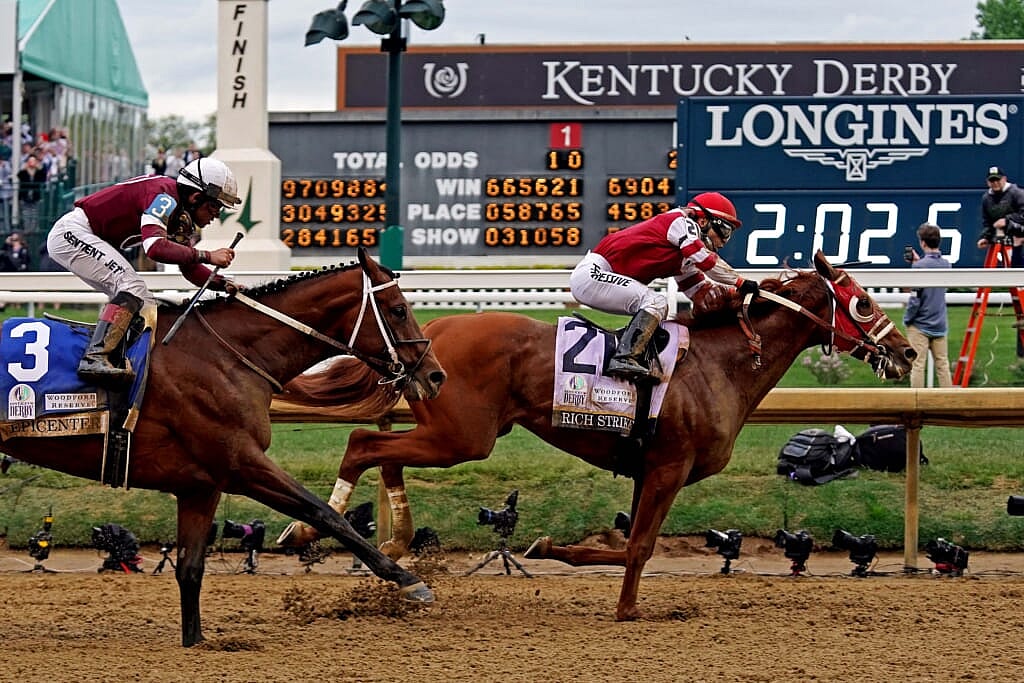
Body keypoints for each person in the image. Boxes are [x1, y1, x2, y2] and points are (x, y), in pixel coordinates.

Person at [46, 157, 243, 388]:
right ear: (196, 197)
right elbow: (155, 248)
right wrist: (208, 255)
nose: (217, 215)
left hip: (86, 235)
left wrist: (223, 283)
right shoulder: (164, 196)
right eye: (214, 206)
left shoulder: (179, 215)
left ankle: (119, 358)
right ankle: (95, 359)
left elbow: (189, 269)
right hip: (73, 233)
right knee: (133, 289)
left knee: (144, 301)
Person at [569, 191, 756, 381]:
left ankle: (633, 353)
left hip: (601, 276)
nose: (724, 241)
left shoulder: (685, 255)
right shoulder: (682, 223)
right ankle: (624, 358)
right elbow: (707, 262)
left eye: (729, 235)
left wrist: (732, 296)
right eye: (724, 231)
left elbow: (700, 292)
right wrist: (740, 282)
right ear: (702, 221)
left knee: (657, 308)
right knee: (655, 302)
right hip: (593, 274)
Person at [977, 165, 1024, 356]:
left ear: (1004, 179)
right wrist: (986, 237)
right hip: (1003, 244)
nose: (995, 183)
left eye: (998, 179)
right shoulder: (986, 199)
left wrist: (1008, 221)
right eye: (992, 180)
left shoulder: (1017, 193)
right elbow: (987, 223)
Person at [904, 223, 952, 388]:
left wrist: (907, 319)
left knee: (917, 365)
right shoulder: (946, 264)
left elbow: (915, 298)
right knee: (943, 365)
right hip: (940, 323)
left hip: (920, 325)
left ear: (923, 243)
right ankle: (948, 403)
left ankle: (917, 404)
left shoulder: (919, 267)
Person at [16, 153, 47, 233]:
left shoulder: (38, 172)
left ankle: (34, 230)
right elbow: (19, 176)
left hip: (35, 196)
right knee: (26, 214)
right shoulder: (24, 172)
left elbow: (43, 178)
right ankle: (27, 230)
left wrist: (39, 168)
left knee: (35, 214)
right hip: (25, 196)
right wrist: (24, 169)